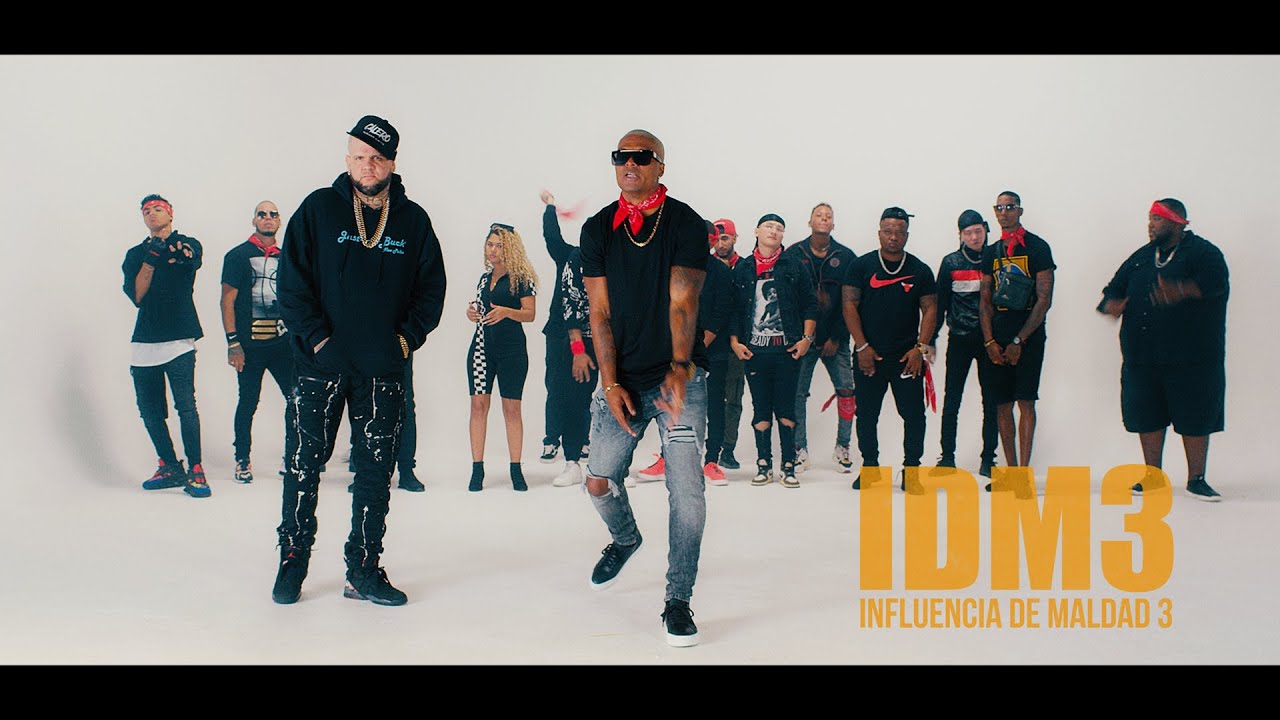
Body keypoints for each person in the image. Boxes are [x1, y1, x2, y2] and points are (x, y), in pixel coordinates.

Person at [272, 114, 446, 606]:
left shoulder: (413, 221)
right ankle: (293, 560)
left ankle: (363, 569)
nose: (368, 166)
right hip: (318, 368)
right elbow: (292, 284)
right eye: (360, 157)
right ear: (347, 159)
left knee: (374, 473)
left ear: (392, 162)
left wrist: (403, 342)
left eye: (377, 158)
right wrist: (318, 341)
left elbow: (431, 290)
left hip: (382, 371)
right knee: (303, 465)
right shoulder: (318, 209)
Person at [580, 128, 709, 647]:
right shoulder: (597, 229)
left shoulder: (686, 222)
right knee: (598, 480)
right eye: (621, 156)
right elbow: (600, 312)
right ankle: (625, 538)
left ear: (660, 166)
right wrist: (610, 381)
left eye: (641, 156)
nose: (629, 164)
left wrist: (679, 367)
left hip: (679, 378)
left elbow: (683, 299)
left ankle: (678, 599)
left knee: (688, 494)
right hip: (623, 379)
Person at [1098, 198, 1228, 501]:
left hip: (1192, 357)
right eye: (1149, 219)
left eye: (1156, 219)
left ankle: (1196, 479)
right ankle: (1153, 477)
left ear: (1176, 221)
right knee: (1147, 414)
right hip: (1142, 356)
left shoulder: (1204, 253)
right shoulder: (1141, 257)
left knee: (1195, 414)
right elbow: (1112, 289)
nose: (1150, 225)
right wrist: (1111, 305)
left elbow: (1216, 285)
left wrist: (1181, 290)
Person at [841, 207, 937, 493]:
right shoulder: (860, 266)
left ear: (907, 235)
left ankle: (912, 471)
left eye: (899, 232)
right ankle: (870, 469)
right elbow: (849, 305)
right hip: (869, 355)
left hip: (907, 357)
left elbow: (930, 308)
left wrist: (920, 348)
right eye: (888, 231)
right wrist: (862, 346)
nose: (893, 237)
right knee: (867, 414)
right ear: (879, 233)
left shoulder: (920, 270)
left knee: (914, 415)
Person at [633, 220, 733, 486]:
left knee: (714, 406)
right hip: (675, 354)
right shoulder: (671, 267)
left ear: (712, 241)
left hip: (712, 354)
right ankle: (668, 459)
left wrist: (696, 349)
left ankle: (711, 462)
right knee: (672, 405)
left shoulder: (721, 272)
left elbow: (720, 314)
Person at [122, 194, 209, 499]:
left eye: (157, 208)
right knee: (149, 410)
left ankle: (196, 468)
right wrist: (150, 259)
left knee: (185, 405)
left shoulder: (188, 243)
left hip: (179, 339)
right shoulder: (135, 254)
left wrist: (175, 252)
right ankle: (170, 465)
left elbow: (191, 260)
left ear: (170, 214)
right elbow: (137, 296)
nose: (151, 213)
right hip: (145, 341)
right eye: (146, 211)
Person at [728, 214, 817, 488]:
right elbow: (734, 309)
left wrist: (806, 339)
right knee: (761, 410)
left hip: (787, 350)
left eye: (779, 228)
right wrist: (735, 342)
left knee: (787, 410)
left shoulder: (795, 265)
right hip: (755, 351)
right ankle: (763, 464)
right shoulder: (743, 268)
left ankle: (788, 465)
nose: (774, 231)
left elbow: (810, 304)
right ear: (757, 231)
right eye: (769, 226)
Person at [978, 191, 1055, 491]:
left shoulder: (1037, 247)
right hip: (998, 334)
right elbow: (984, 300)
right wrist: (989, 341)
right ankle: (1010, 473)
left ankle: (1024, 474)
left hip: (1029, 335)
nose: (1004, 212)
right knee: (1002, 403)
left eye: (1010, 207)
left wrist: (1019, 340)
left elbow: (1044, 299)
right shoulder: (991, 252)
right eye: (999, 207)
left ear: (1020, 210)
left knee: (1026, 401)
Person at [221, 201, 292, 484]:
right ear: (254, 220)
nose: (267, 218)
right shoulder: (237, 256)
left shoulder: (287, 257)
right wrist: (233, 343)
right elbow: (227, 300)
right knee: (248, 402)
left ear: (279, 221)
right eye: (262, 214)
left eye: (273, 214)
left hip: (282, 344)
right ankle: (242, 459)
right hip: (250, 346)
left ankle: (292, 455)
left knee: (296, 399)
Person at [783, 202, 857, 474]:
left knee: (847, 390)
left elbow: (851, 301)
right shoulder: (793, 254)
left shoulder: (846, 256)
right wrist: (801, 336)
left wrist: (837, 336)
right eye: (819, 215)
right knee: (797, 393)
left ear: (833, 224)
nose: (823, 219)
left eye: (828, 216)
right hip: (803, 339)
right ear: (810, 222)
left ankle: (842, 447)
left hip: (836, 339)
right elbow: (787, 299)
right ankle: (799, 450)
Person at [464, 223, 538, 492]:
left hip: (512, 351)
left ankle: (516, 469)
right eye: (490, 244)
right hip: (481, 348)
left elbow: (530, 314)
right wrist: (472, 312)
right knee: (478, 406)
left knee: (511, 408)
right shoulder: (484, 278)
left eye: (499, 245)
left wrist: (507, 312)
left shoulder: (521, 279)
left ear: (510, 249)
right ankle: (477, 469)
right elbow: (481, 308)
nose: (493, 250)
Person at [932, 209, 999, 478]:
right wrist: (930, 339)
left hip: (990, 341)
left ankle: (989, 459)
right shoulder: (950, 262)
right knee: (952, 399)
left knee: (991, 401)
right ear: (960, 235)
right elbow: (939, 304)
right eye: (968, 233)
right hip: (959, 338)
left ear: (985, 230)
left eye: (978, 231)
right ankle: (947, 457)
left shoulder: (996, 258)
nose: (974, 237)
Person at [539, 189, 578, 464]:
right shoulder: (568, 255)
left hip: (587, 334)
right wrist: (550, 207)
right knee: (555, 385)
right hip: (557, 331)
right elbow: (552, 237)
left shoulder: (604, 263)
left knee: (582, 389)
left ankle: (582, 439)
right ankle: (552, 439)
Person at [711, 218, 747, 470]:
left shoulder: (745, 267)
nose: (721, 244)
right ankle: (703, 448)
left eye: (725, 238)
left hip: (737, 344)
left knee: (733, 398)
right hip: (709, 343)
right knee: (702, 398)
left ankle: (728, 449)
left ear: (734, 238)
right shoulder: (706, 266)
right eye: (717, 239)